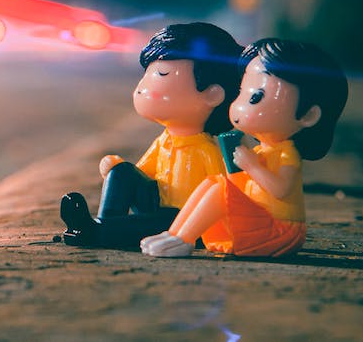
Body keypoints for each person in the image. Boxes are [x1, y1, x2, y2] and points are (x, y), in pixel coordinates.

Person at [140, 38, 348, 258]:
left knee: (222, 189)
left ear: (308, 115)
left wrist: (251, 166)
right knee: (213, 182)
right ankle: (175, 233)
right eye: (242, 93)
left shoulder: (287, 154)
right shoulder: (262, 151)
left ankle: (184, 239)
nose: (238, 105)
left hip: (280, 231)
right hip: (259, 221)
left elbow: (280, 190)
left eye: (256, 97)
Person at [60, 22, 243, 249]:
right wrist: (115, 169)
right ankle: (105, 222)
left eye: (162, 74)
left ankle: (97, 231)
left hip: (185, 219)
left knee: (162, 221)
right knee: (123, 171)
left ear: (212, 94)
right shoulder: (164, 141)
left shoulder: (205, 150)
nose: (143, 87)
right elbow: (143, 172)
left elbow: (221, 194)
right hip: (155, 204)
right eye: (147, 74)